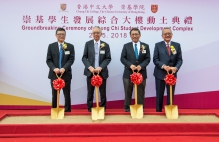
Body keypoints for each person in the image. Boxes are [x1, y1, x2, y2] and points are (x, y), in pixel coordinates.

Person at [120, 28, 151, 112]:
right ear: (130, 36)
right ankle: (127, 108)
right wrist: (130, 65)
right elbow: (122, 58)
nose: (134, 36)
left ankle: (140, 108)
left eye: (136, 34)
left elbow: (148, 59)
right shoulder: (126, 46)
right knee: (128, 92)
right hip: (128, 73)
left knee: (140, 92)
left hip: (141, 73)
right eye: (133, 34)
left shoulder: (145, 46)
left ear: (139, 35)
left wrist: (141, 66)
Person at [82, 26, 111, 112]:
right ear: (92, 34)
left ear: (101, 34)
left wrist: (100, 67)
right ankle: (90, 108)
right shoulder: (88, 44)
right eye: (94, 33)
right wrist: (90, 67)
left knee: (102, 92)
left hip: (102, 72)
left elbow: (108, 58)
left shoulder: (105, 45)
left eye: (98, 32)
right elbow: (84, 58)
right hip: (90, 72)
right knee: (90, 92)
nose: (96, 34)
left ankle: (103, 108)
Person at [153, 27, 183, 112]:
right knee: (159, 94)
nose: (167, 35)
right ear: (162, 36)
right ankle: (158, 111)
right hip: (160, 73)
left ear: (172, 35)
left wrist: (175, 68)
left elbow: (180, 59)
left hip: (172, 74)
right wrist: (163, 66)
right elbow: (155, 59)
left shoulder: (176, 45)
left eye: (169, 33)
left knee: (170, 94)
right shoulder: (158, 45)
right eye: (165, 34)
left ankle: (169, 111)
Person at [46, 27, 75, 112]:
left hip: (66, 74)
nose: (61, 36)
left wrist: (64, 68)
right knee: (54, 95)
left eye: (63, 34)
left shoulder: (70, 46)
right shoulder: (51, 46)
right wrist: (54, 68)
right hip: (54, 74)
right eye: (59, 34)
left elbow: (71, 59)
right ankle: (55, 111)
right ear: (56, 35)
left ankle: (67, 111)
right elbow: (48, 60)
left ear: (65, 36)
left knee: (67, 95)